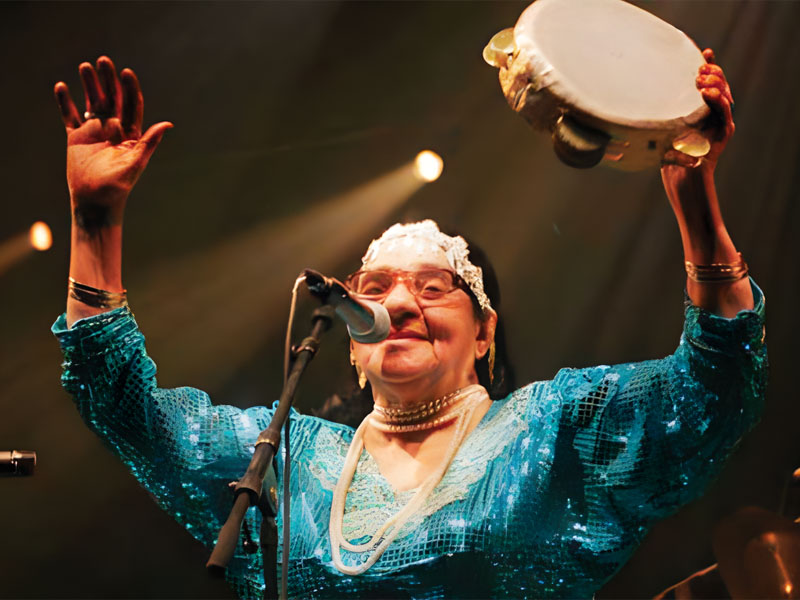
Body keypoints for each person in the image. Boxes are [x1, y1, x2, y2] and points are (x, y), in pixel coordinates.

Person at [52, 54, 766, 599]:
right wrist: (94, 223)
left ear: (484, 334)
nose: (399, 304)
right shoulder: (285, 460)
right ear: (351, 344)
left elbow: (713, 387)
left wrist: (694, 197)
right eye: (376, 289)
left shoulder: (554, 428)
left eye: (434, 289)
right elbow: (123, 403)